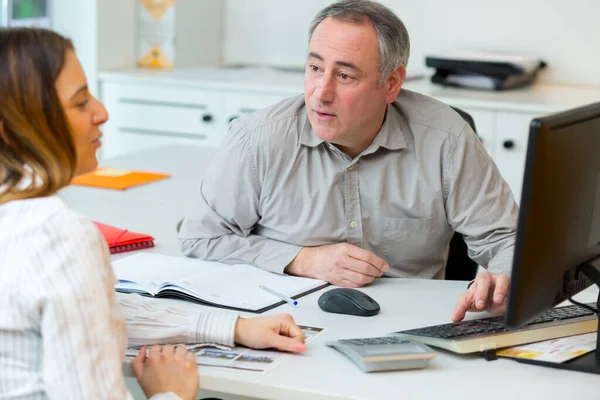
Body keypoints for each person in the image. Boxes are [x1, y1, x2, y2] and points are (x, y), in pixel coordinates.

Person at [0, 28, 306, 400]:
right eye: (80, 103)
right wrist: (170, 394)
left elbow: (96, 310)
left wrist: (233, 326)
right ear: (16, 127)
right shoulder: (56, 234)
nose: (101, 112)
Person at [179, 0, 519, 324]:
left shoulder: (446, 139)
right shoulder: (258, 139)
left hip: (413, 326)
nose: (320, 93)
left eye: (344, 76)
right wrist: (301, 260)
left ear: (391, 83)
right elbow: (201, 238)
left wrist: (502, 277)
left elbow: (506, 238)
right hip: (289, 324)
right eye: (314, 68)